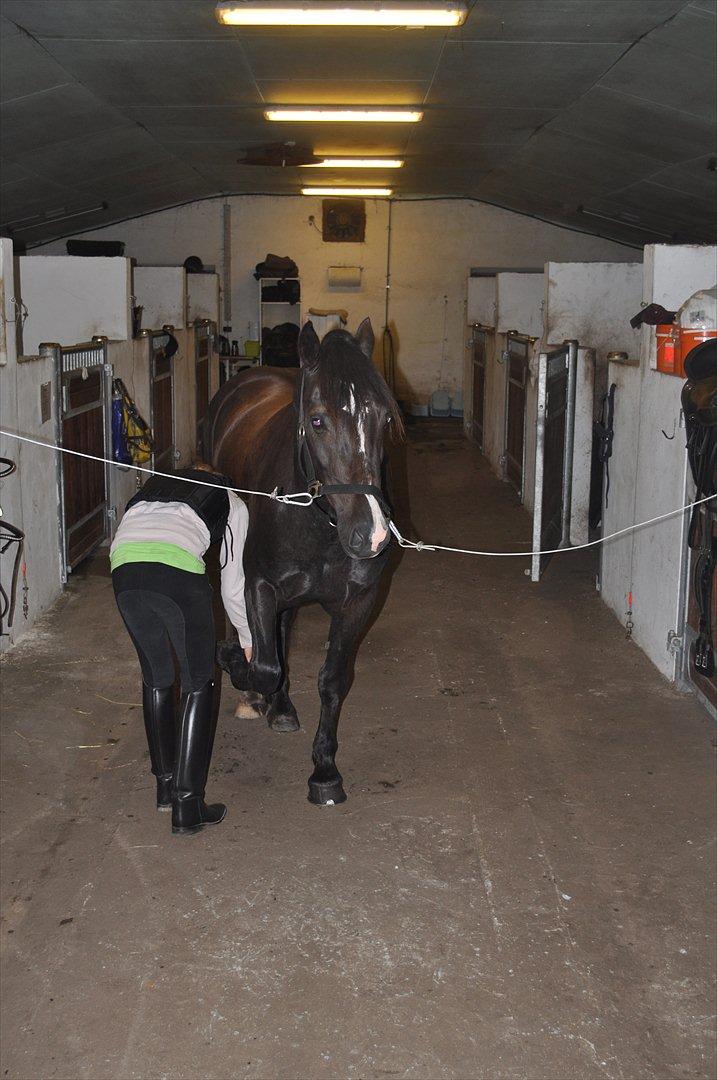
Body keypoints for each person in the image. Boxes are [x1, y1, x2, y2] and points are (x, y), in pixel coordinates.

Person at [109, 467, 252, 835]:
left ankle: (165, 787)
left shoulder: (156, 485)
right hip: (176, 573)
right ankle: (188, 805)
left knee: (156, 677)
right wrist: (247, 637)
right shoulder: (232, 501)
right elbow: (232, 586)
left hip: (124, 569)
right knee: (198, 682)